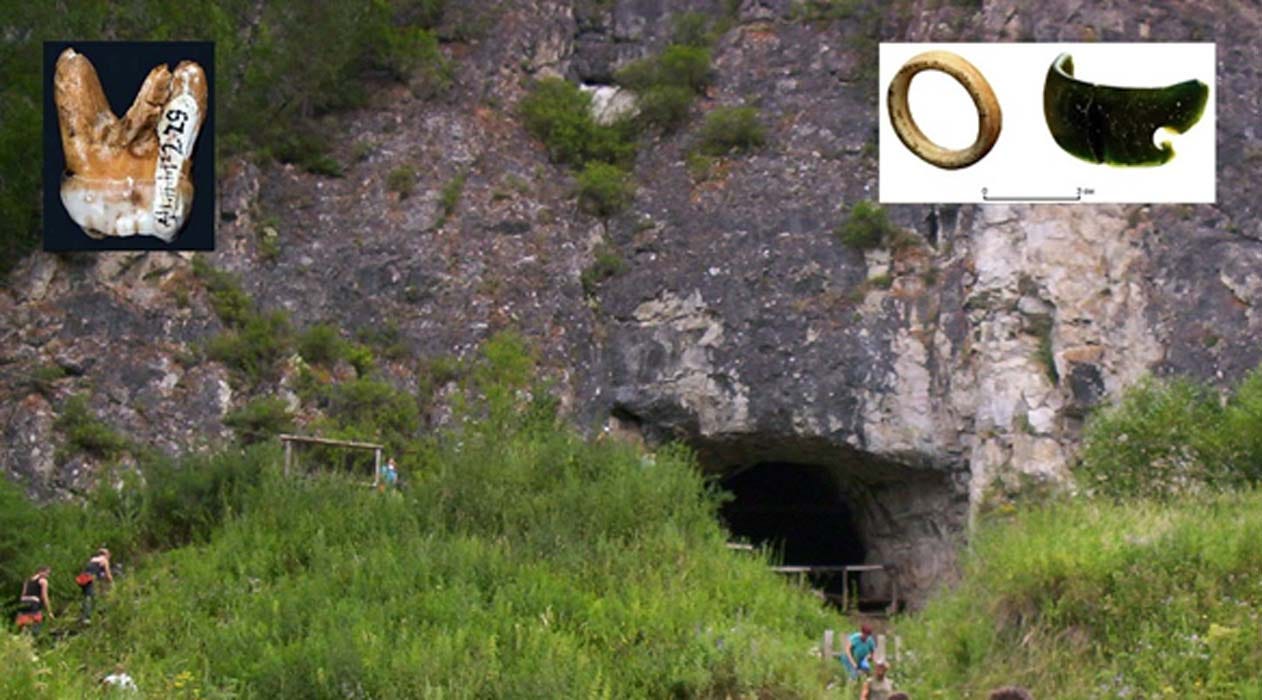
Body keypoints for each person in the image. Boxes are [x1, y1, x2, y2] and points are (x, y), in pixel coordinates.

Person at [78, 547, 114, 623]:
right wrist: (112, 583)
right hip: (92, 580)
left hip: (85, 579)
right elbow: (108, 574)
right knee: (94, 597)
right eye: (108, 554)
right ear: (105, 554)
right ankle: (90, 616)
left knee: (87, 597)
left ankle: (85, 615)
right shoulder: (104, 560)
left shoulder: (92, 559)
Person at [15, 566, 53, 634]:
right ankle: (34, 638)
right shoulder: (43, 581)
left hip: (23, 602)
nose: (48, 576)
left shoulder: (27, 580)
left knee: (23, 622)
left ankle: (22, 637)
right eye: (47, 573)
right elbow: (45, 596)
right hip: (33, 603)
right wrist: (49, 611)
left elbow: (23, 594)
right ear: (40, 571)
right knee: (35, 623)